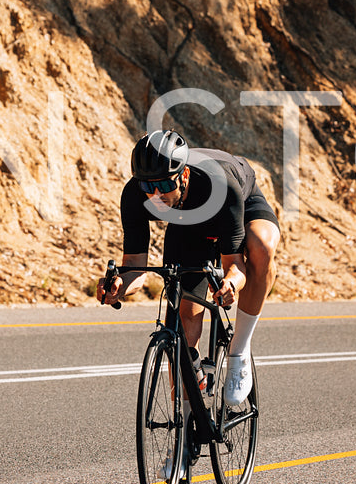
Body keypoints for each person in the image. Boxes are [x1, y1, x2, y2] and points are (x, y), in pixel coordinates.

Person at [96, 129, 280, 412]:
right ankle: (182, 431)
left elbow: (235, 265)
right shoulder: (135, 195)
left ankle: (239, 351)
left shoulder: (220, 183)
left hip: (236, 203)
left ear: (183, 176)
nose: (154, 195)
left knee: (260, 248)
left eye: (162, 185)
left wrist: (230, 284)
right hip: (188, 228)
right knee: (183, 321)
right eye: (147, 187)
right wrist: (119, 286)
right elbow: (136, 266)